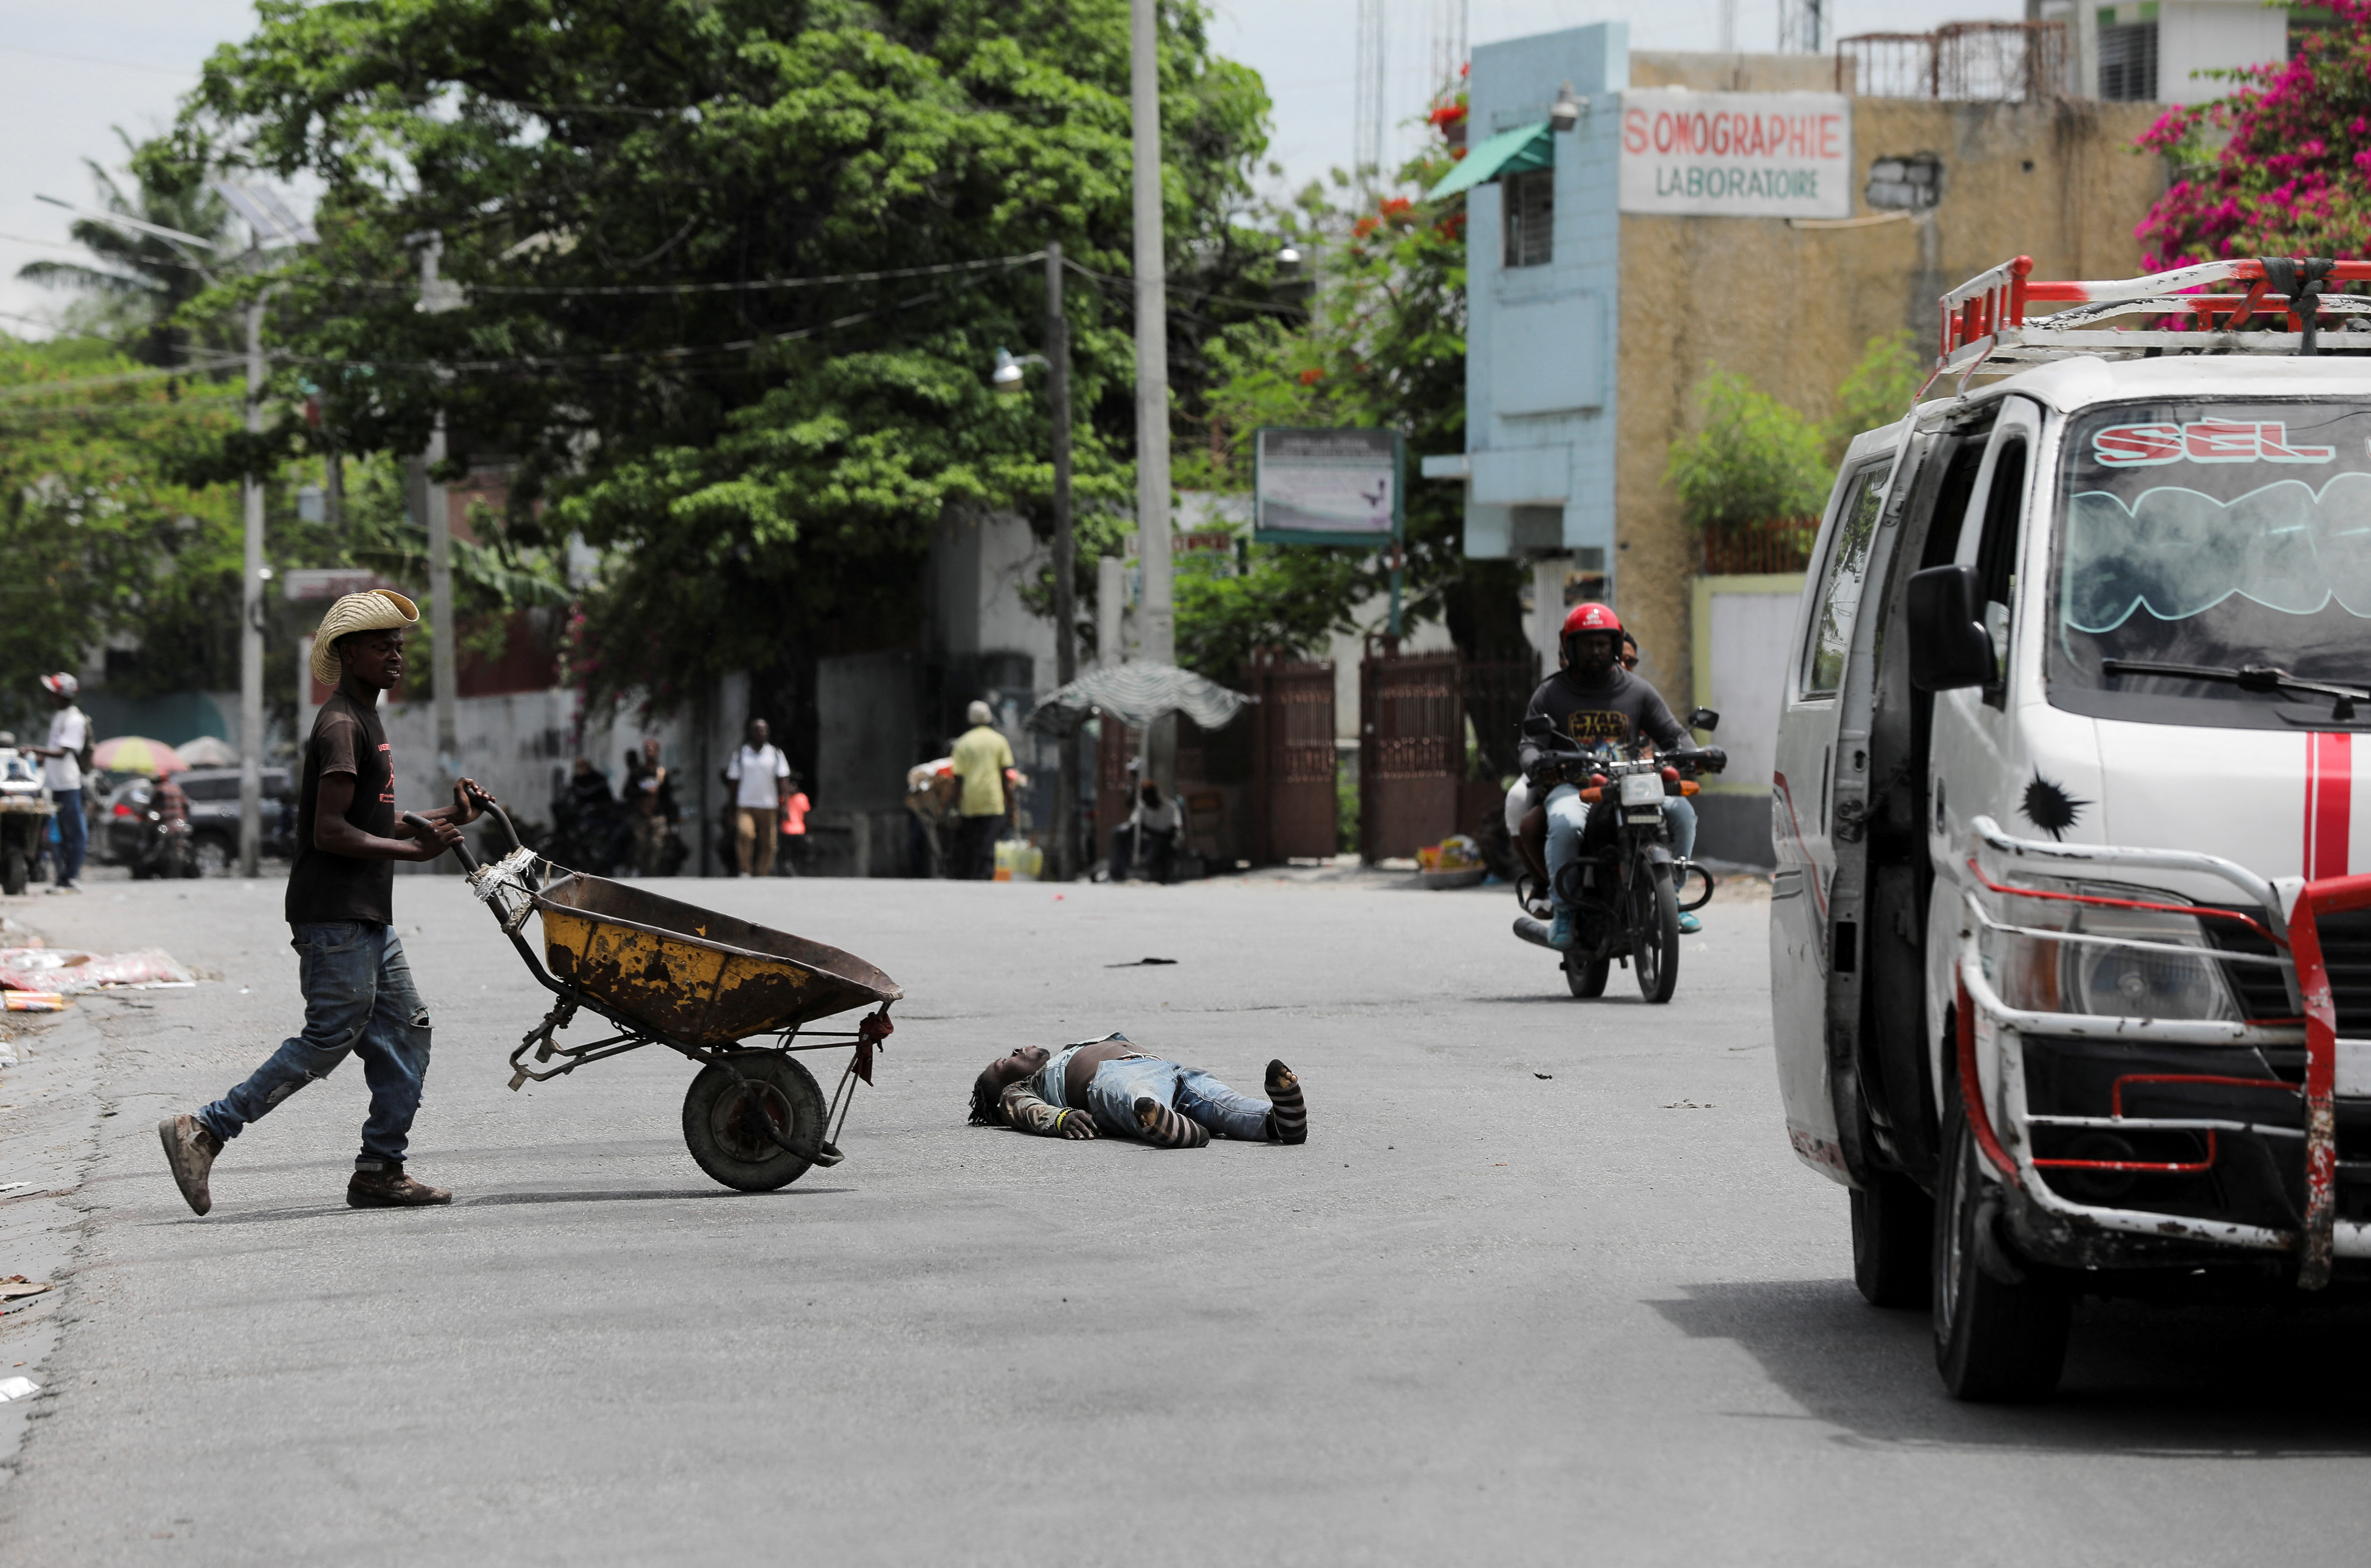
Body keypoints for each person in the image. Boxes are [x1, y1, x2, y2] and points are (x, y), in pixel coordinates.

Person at [156, 589, 496, 1215]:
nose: (395, 654)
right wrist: (421, 856)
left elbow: (374, 822)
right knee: (329, 1036)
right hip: (335, 911)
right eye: (380, 644)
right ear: (346, 653)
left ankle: (379, 1169)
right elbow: (331, 832)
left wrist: (454, 815)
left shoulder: (367, 719)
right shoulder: (341, 724)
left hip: (364, 912)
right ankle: (206, 1128)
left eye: (399, 643)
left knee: (407, 1032)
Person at [1517, 603, 1701, 950]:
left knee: (1682, 812)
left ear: (1615, 646)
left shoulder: (1638, 690)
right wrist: (1538, 764)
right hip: (1575, 787)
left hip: (1633, 784)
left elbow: (1673, 734)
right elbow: (1530, 744)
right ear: (1570, 647)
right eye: (1587, 644)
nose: (1596, 651)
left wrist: (1696, 753)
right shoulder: (1551, 693)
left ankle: (1672, 897)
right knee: (1564, 823)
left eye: (1603, 643)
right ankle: (1565, 910)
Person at [967, 1033, 1308, 1149]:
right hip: (1113, 1082)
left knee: (1221, 1101)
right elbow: (1022, 1107)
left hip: (1172, 1072)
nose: (1016, 1052)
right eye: (1005, 1061)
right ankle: (1174, 1128)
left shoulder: (1067, 1051)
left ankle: (1278, 1121)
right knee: (1136, 1095)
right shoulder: (1025, 1088)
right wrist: (1061, 1118)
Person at [25, 673, 91, 892]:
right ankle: (63, 879)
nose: (49, 697)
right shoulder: (60, 717)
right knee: (59, 835)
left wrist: (34, 749)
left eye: (52, 693)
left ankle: (72, 877)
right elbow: (53, 753)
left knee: (75, 833)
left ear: (61, 695)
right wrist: (32, 758)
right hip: (55, 784)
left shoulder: (75, 720)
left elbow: (62, 752)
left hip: (69, 784)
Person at [949, 700, 1013, 881]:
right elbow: (1005, 777)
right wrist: (1013, 805)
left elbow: (958, 779)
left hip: (969, 802)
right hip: (992, 802)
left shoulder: (963, 743)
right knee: (987, 847)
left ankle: (968, 880)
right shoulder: (999, 741)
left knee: (969, 846)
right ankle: (984, 880)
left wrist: (954, 808)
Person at [721, 718, 790, 878]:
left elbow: (783, 780)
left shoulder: (776, 754)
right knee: (745, 835)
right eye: (757, 729)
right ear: (751, 732)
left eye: (764, 729)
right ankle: (745, 870)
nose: (761, 732)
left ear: (768, 732)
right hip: (746, 804)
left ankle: (763, 872)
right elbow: (734, 783)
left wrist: (785, 805)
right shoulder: (741, 754)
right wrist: (731, 806)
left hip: (769, 805)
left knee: (769, 843)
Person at [1108, 775, 1182, 884]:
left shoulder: (1171, 807)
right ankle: (1117, 872)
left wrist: (1149, 830)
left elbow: (1172, 833)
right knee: (1117, 833)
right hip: (1145, 842)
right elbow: (1133, 826)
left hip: (1164, 844)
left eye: (1150, 797)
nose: (1148, 801)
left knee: (1157, 842)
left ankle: (1149, 873)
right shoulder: (1142, 808)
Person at [623, 738, 678, 877]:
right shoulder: (637, 773)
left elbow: (668, 797)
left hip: (658, 816)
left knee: (657, 845)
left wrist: (672, 819)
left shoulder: (661, 774)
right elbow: (627, 792)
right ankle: (638, 870)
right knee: (641, 845)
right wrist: (646, 793)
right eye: (649, 750)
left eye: (654, 750)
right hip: (641, 816)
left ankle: (652, 874)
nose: (651, 753)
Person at [777, 770, 811, 876]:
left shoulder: (784, 799)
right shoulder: (799, 798)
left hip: (790, 831)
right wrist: (809, 831)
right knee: (793, 855)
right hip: (796, 830)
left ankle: (792, 873)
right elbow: (806, 818)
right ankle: (793, 873)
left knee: (790, 855)